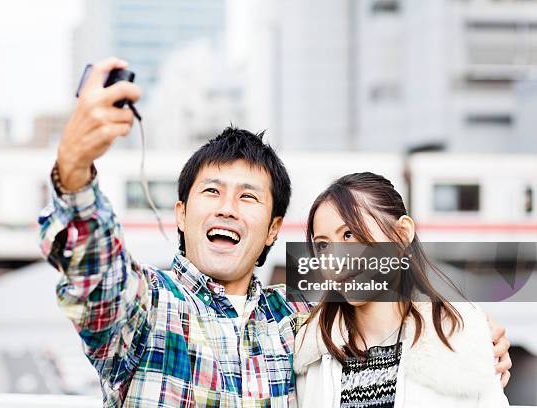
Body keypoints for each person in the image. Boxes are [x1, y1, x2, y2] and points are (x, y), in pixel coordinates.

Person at [39, 57, 511, 407]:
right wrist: (74, 170)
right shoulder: (147, 308)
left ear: (272, 231)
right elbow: (98, 276)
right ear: (181, 214)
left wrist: (466, 338)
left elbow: (379, 303)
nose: (227, 209)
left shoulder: (295, 324)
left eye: (248, 197)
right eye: (211, 193)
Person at [294, 172, 510, 407]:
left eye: (349, 234)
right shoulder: (307, 353)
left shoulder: (463, 340)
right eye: (323, 245)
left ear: (402, 233)